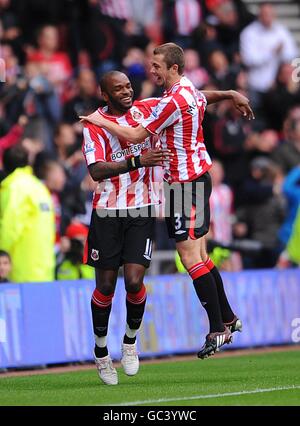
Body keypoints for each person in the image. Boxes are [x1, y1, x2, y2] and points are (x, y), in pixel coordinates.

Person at [80, 43, 254, 359]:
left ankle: (217, 330)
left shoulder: (172, 101)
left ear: (173, 68)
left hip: (184, 184)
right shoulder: (186, 91)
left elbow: (134, 137)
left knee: (190, 259)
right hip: (193, 179)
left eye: (157, 66)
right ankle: (228, 317)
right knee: (201, 254)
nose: (152, 70)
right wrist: (229, 92)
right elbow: (204, 97)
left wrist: (98, 120)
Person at [81, 70, 169, 385]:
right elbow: (96, 170)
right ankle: (101, 351)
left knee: (133, 281)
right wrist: (137, 161)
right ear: (105, 95)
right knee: (105, 287)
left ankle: (130, 342)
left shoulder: (146, 110)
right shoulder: (93, 124)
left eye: (128, 86)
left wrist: (227, 93)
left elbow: (188, 100)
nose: (126, 91)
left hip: (142, 209)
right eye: (118, 89)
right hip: (106, 211)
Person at [0, 145, 55, 283]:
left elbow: (9, 228)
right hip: (45, 269)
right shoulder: (39, 187)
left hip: (22, 270)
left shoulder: (14, 187)